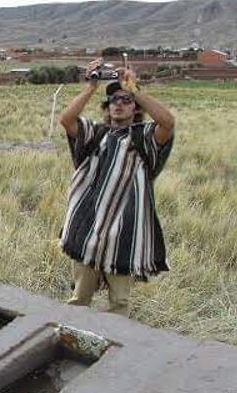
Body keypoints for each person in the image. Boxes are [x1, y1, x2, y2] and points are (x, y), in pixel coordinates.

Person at [58, 59, 175, 316]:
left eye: (126, 100)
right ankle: (70, 342)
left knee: (119, 304)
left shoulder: (143, 138)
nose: (119, 104)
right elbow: (66, 119)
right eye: (114, 100)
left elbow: (167, 122)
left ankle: (114, 350)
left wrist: (135, 89)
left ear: (135, 109)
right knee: (79, 300)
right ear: (107, 108)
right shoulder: (96, 134)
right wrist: (91, 87)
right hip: (89, 230)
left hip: (125, 235)